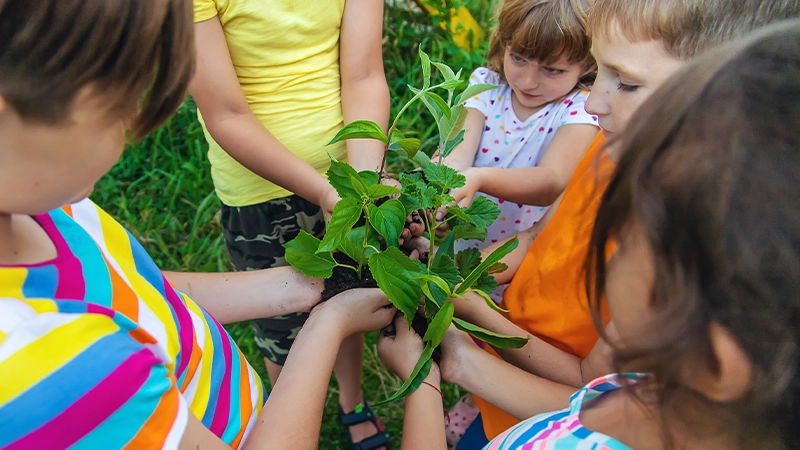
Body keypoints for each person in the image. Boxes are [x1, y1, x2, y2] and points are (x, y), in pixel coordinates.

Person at [380, 19, 800, 448]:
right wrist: (460, 313)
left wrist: (444, 359)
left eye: (628, 83)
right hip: (513, 389)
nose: (594, 101)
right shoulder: (609, 150)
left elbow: (589, 383)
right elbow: (535, 237)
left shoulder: (680, 223)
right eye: (599, 70)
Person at [0, 1, 396, 449]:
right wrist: (327, 324)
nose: (132, 121)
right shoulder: (63, 369)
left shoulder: (47, 212)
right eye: (120, 98)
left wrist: (312, 288)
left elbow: (133, 291)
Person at [188, 1, 392, 446]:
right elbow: (225, 113)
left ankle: (351, 401)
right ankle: (295, 423)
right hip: (259, 190)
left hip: (349, 170)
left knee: (349, 293)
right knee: (283, 326)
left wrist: (362, 187)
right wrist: (322, 191)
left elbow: (363, 76)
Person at [442, 0, 598, 300]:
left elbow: (551, 181)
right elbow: (453, 154)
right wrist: (440, 196)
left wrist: (479, 178)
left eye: (553, 70)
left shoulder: (580, 109)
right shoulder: (486, 87)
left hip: (523, 263)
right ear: (504, 43)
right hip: (461, 248)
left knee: (497, 332)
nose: (528, 81)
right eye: (518, 58)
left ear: (588, 64)